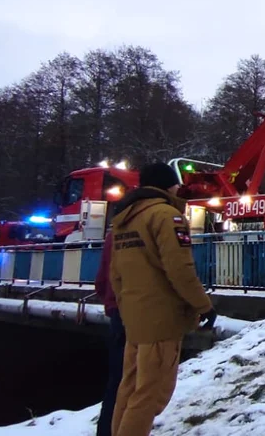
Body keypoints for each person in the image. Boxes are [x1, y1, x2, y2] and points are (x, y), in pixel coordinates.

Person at [109, 163, 216, 436]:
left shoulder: (124, 220)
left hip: (135, 318)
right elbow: (180, 270)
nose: (178, 188)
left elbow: (116, 274)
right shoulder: (167, 216)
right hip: (162, 319)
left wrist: (126, 308)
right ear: (166, 186)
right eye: (175, 184)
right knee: (151, 395)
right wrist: (203, 305)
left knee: (130, 389)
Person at [94, 216, 124, 436]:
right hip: (142, 313)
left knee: (116, 379)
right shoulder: (155, 226)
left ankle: (106, 430)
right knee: (136, 383)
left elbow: (101, 282)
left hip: (117, 311)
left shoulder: (113, 235)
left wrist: (110, 302)